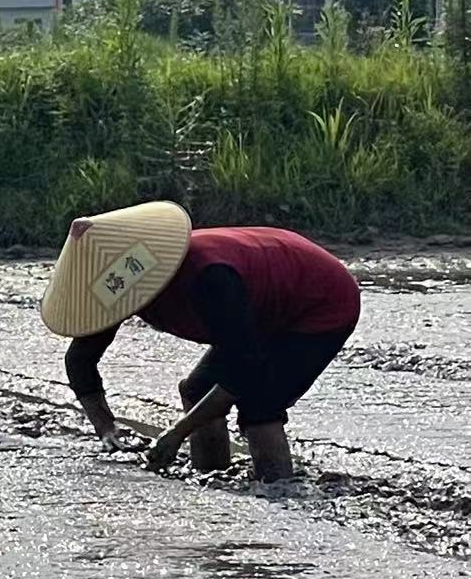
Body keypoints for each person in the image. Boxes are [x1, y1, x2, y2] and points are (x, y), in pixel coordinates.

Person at [40, 202, 360, 482]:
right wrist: (107, 429)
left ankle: (280, 494)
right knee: (197, 390)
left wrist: (177, 433)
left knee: (260, 401)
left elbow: (244, 365)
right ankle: (213, 478)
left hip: (319, 301)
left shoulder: (208, 276)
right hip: (263, 305)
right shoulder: (117, 289)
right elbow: (81, 359)